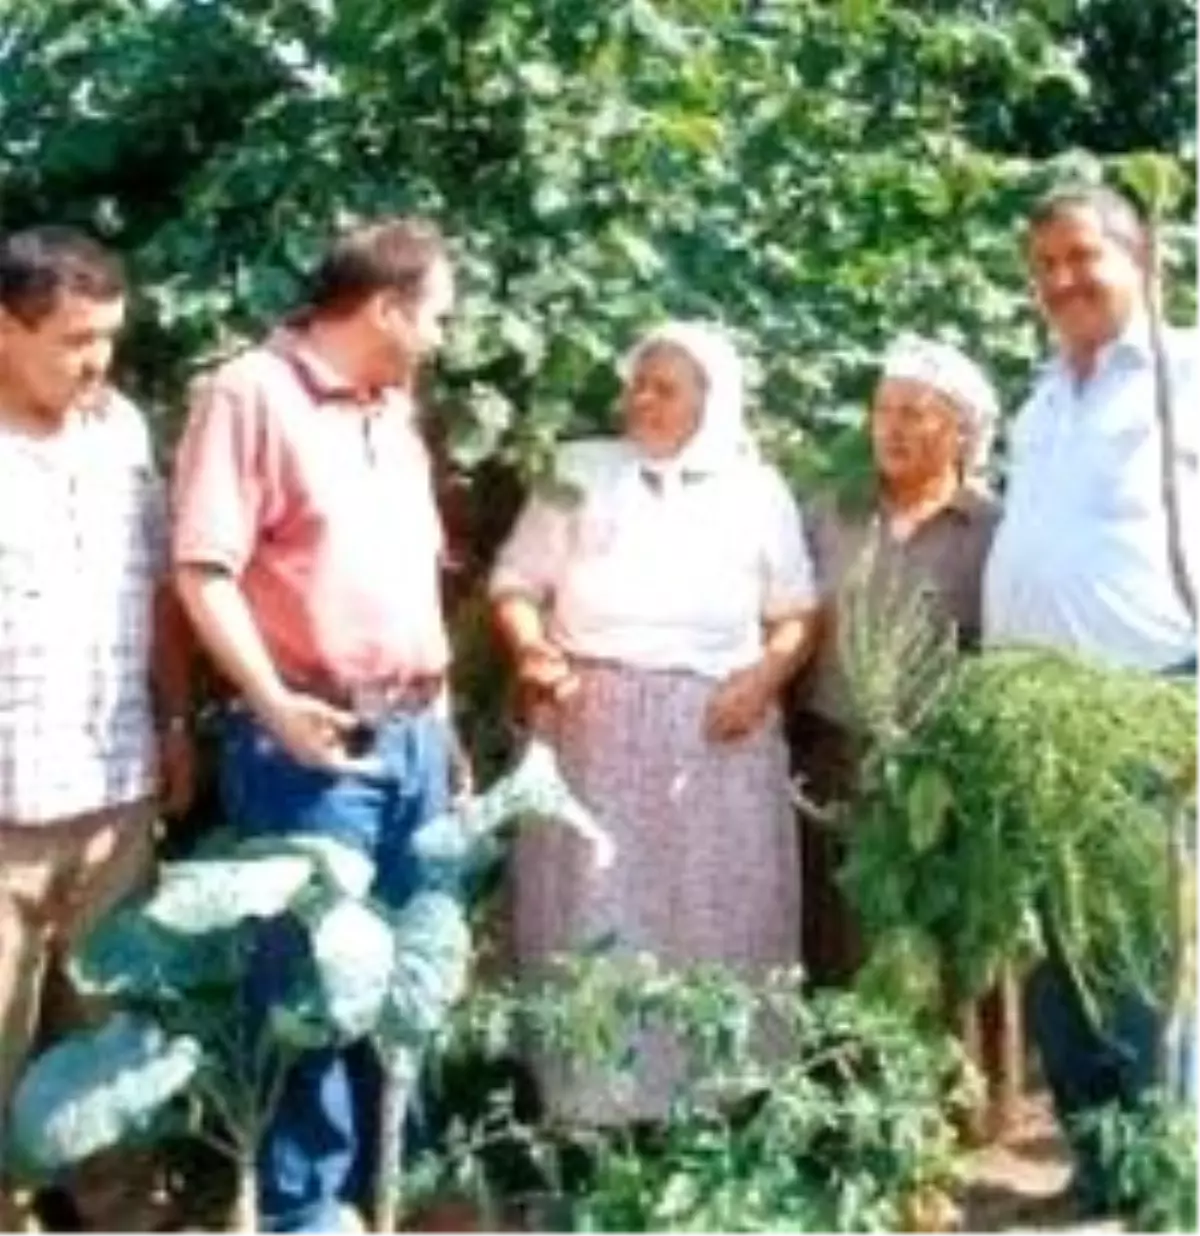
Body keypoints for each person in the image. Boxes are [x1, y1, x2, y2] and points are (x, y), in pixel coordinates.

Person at [173, 216, 457, 1236]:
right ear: (385, 308)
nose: (443, 336)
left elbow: (412, 583)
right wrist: (274, 706)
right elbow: (206, 570)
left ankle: (391, 1197)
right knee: (309, 986)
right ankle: (306, 1213)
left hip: (417, 738)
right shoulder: (249, 393)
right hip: (315, 742)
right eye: (437, 315)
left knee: (405, 981)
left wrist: (449, 729)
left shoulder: (395, 409)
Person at [489, 320, 818, 1125]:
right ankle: (593, 1108)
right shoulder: (579, 471)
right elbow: (515, 582)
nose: (643, 400)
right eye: (638, 382)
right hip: (592, 727)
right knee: (596, 909)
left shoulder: (757, 490)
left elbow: (797, 613)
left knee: (714, 913)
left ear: (713, 400)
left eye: (666, 388)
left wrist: (763, 678)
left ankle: (722, 1100)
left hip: (718, 734)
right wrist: (534, 652)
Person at [983, 183, 1200, 1217]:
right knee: (1057, 951)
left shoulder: (1185, 375)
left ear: (1142, 256)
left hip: (1149, 705)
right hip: (1043, 724)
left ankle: (1166, 1180)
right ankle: (1097, 1164)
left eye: (1082, 256)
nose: (1062, 280)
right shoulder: (1041, 400)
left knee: (1142, 951)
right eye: (1045, 266)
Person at [0, 226, 195, 1235]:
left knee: (117, 1039)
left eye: (109, 336)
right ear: (5, 329)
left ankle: (124, 1218)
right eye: (75, 339)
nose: (98, 361)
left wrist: (173, 721)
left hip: (115, 796)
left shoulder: (119, 429)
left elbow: (157, 590)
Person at [790, 334, 1014, 1132]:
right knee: (843, 927)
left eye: (917, 414)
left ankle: (950, 1108)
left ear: (962, 432)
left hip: (942, 766)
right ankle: (849, 1104)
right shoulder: (829, 514)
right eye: (883, 410)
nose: (893, 428)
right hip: (836, 749)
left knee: (946, 928)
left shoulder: (992, 528)